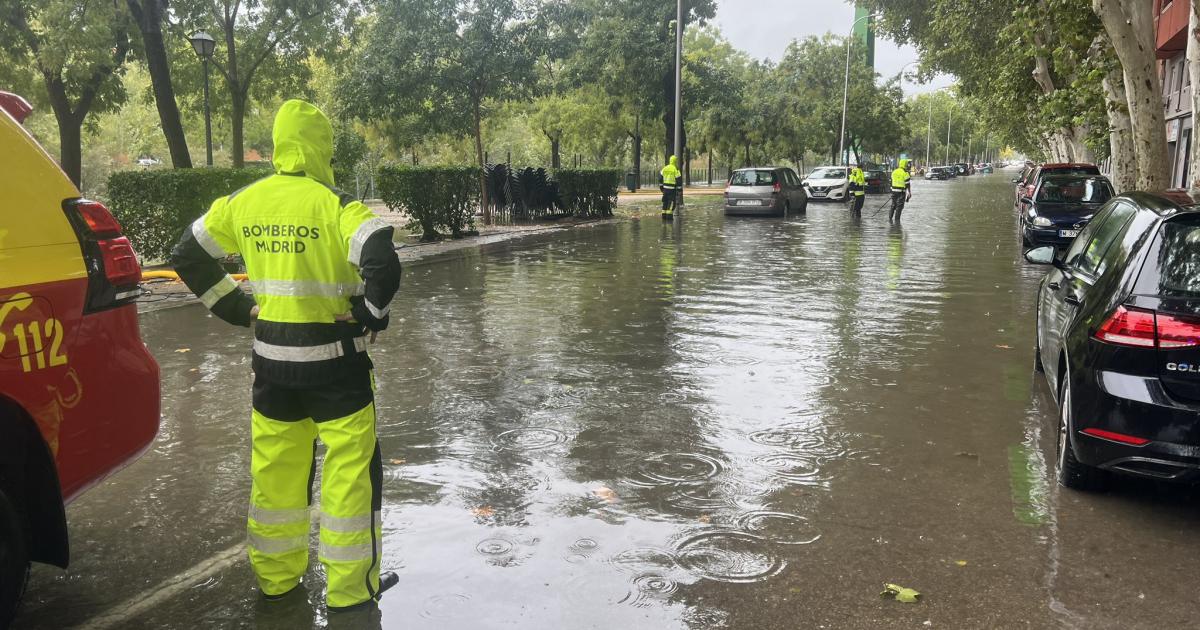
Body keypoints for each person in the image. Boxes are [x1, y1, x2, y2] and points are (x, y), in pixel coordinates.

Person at [171, 99, 403, 613]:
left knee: (276, 474)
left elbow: (186, 251)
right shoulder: (337, 204)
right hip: (338, 370)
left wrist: (235, 306)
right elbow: (382, 258)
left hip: (272, 369)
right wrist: (369, 312)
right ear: (322, 148)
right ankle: (349, 592)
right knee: (349, 477)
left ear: (277, 145)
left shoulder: (243, 202)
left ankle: (276, 580)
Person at [889, 158, 913, 223]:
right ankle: (897, 224)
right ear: (905, 165)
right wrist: (909, 193)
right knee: (899, 208)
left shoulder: (894, 171)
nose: (908, 166)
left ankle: (890, 220)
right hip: (901, 193)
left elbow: (891, 182)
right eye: (907, 164)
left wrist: (891, 190)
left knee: (893, 205)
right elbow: (907, 184)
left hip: (894, 192)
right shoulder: (905, 173)